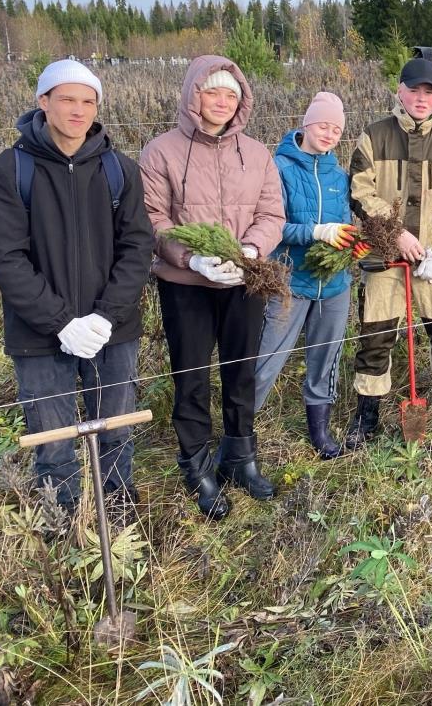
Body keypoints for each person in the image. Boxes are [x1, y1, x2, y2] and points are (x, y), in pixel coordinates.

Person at [0, 60, 154, 517]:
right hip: (39, 336)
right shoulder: (7, 171)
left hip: (110, 331)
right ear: (43, 102)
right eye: (67, 99)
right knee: (54, 437)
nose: (78, 110)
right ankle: (63, 519)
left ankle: (118, 511)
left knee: (115, 427)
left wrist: (104, 315)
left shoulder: (120, 169)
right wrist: (61, 322)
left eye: (88, 101)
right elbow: (7, 257)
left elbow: (137, 247)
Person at [139, 56, 285, 520]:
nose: (222, 102)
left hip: (244, 281)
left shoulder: (257, 154)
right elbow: (152, 219)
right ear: (192, 95)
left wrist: (252, 252)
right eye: (212, 92)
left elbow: (271, 215)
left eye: (231, 94)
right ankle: (196, 465)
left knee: (241, 370)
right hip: (187, 286)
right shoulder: (160, 151)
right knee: (192, 376)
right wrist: (191, 258)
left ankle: (240, 457)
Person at [346, 48, 432, 444]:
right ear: (399, 91)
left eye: (429, 90)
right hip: (384, 260)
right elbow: (360, 192)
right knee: (375, 338)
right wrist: (396, 231)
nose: (421, 97)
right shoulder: (374, 136)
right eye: (413, 89)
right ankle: (366, 420)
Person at [252, 92, 358, 459]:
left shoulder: (338, 175)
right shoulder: (278, 167)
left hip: (333, 284)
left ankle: (321, 431)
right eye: (323, 126)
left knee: (325, 356)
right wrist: (315, 232)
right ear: (306, 124)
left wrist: (349, 242)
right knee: (267, 358)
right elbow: (272, 226)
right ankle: (240, 431)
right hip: (290, 281)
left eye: (336, 129)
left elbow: (344, 221)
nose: (329, 134)